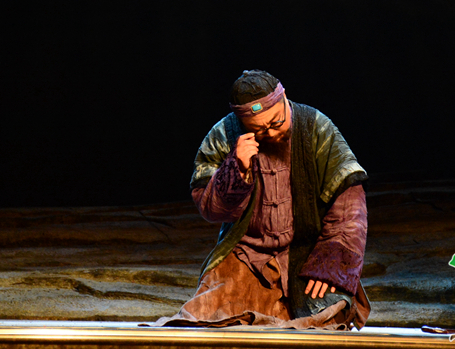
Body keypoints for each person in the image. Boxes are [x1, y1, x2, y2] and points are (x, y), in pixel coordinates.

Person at [158, 70, 370, 329]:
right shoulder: (224, 134)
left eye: (276, 122)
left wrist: (332, 262)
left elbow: (349, 198)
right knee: (206, 314)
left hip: (309, 251)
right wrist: (236, 169)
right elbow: (209, 209)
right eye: (258, 130)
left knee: (327, 314)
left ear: (284, 99)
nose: (269, 133)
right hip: (247, 254)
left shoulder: (316, 127)